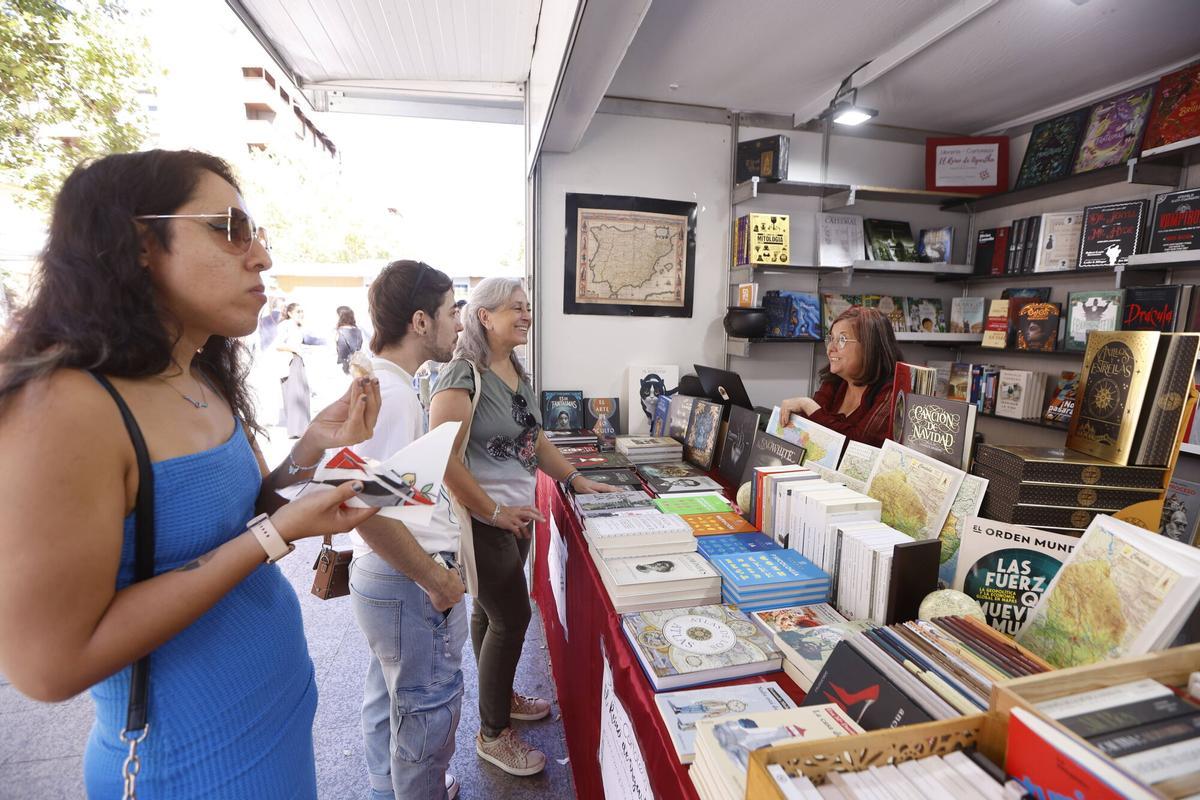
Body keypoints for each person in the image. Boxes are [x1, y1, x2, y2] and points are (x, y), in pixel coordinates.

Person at [0, 149, 383, 799]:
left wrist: (312, 447)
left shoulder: (201, 372)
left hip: (277, 724)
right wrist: (279, 533)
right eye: (229, 229)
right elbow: (49, 667)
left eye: (257, 235)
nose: (260, 256)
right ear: (140, 242)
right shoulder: (64, 405)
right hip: (187, 767)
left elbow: (238, 515)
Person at [428, 277, 619, 777]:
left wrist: (577, 479)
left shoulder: (516, 370)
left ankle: (501, 695)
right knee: (511, 619)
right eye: (516, 308)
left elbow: (536, 442)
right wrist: (492, 512)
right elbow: (444, 462)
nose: (526, 314)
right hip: (484, 520)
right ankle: (492, 734)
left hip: (517, 518)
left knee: (491, 616)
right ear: (484, 316)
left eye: (528, 307)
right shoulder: (461, 376)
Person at [348, 260, 467, 800]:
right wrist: (435, 580)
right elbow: (365, 508)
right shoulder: (393, 396)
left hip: (389, 578)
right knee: (425, 712)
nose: (459, 324)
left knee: (391, 700)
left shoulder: (387, 384)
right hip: (408, 580)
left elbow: (383, 495)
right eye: (451, 312)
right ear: (420, 321)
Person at [780, 306, 901, 447]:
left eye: (842, 339)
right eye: (831, 338)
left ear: (870, 346)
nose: (830, 348)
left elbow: (859, 445)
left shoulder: (892, 392)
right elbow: (809, 429)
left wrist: (807, 405)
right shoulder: (836, 380)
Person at [276, 301, 310, 437]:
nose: (301, 314)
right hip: (291, 360)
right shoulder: (285, 325)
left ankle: (302, 429)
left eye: (302, 311)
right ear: (290, 313)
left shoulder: (297, 326)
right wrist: (295, 349)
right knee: (294, 395)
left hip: (298, 360)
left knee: (302, 394)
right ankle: (296, 430)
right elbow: (278, 344)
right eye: (298, 311)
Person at [335, 305, 365, 374]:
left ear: (340, 317)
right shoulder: (359, 331)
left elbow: (342, 354)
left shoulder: (340, 332)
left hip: (345, 369)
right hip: (359, 366)